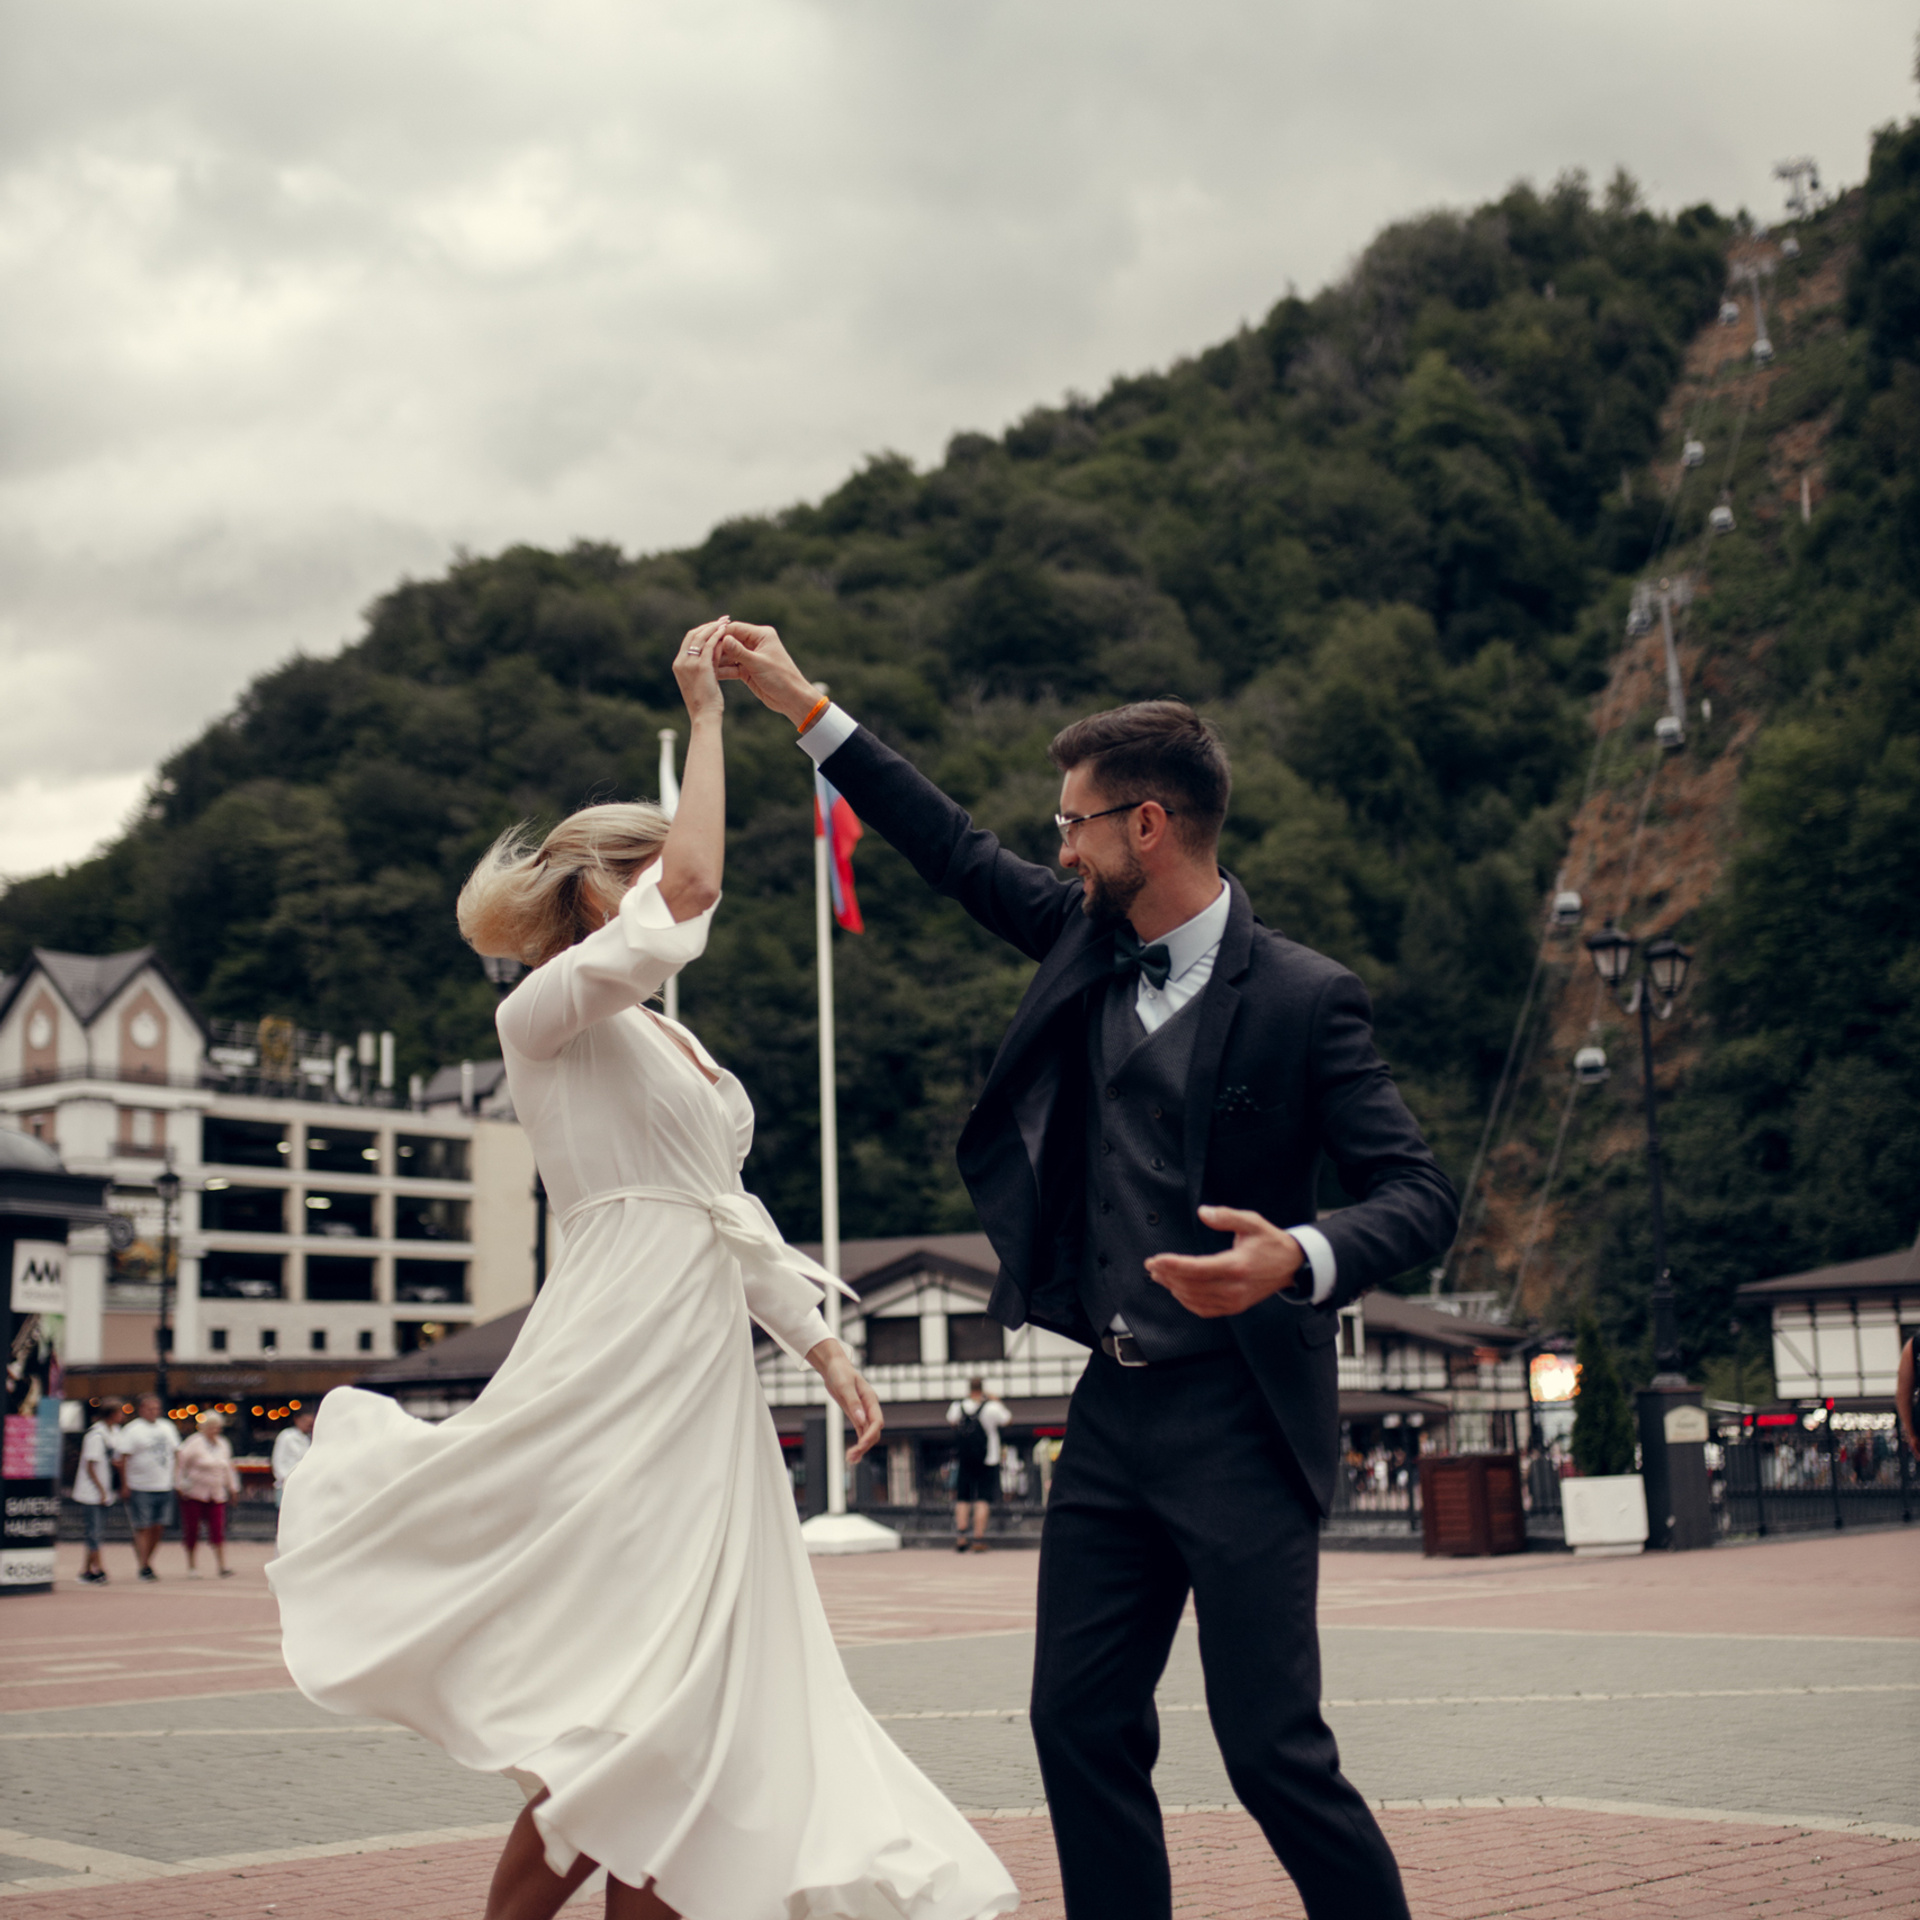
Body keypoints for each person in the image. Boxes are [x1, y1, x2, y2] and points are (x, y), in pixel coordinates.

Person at [268, 620, 1016, 1920]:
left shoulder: (677, 1051)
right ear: (597, 888)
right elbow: (699, 897)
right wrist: (712, 719)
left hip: (699, 1363)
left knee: (698, 1691)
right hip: (618, 1352)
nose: (669, 876)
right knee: (634, 1693)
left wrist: (822, 1341)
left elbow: (725, 1210)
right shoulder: (541, 1012)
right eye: (646, 866)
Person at [719, 623, 1458, 1920]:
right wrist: (804, 708)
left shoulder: (1301, 998)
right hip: (1114, 1416)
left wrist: (1302, 1256)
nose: (1058, 847)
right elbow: (947, 848)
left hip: (1242, 1413)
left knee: (1273, 1752)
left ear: (1150, 826)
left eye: (1074, 825)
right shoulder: (1079, 941)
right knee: (1077, 1724)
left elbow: (1422, 1195)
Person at [114, 1393, 179, 1583]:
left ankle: (147, 1559)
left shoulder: (167, 1427)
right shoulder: (132, 1430)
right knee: (143, 1526)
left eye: (156, 1408)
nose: (154, 1412)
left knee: (159, 1526)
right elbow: (123, 1458)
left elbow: (177, 1452)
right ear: (141, 1409)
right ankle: (144, 1566)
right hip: (140, 1485)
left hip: (164, 1484)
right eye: (150, 1408)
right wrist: (124, 1484)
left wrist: (176, 1477)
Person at [946, 1377, 1010, 1552]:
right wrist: (996, 1400)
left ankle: (961, 1537)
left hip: (965, 1458)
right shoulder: (991, 1407)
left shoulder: (958, 1406)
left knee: (963, 1497)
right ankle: (978, 1538)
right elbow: (1007, 1420)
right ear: (983, 1389)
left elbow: (951, 1421)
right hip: (988, 1458)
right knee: (982, 1498)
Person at [175, 1411, 240, 1578]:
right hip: (194, 1492)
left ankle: (222, 1565)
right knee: (192, 1529)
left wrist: (233, 1488)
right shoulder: (193, 1443)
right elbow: (180, 1464)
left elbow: (228, 1467)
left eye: (217, 1427)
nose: (215, 1430)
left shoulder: (223, 1444)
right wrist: (179, 1484)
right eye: (211, 1427)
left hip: (216, 1492)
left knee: (218, 1528)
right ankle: (192, 1566)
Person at [72, 1400, 128, 1585]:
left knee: (97, 1531)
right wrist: (102, 1491)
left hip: (106, 1490)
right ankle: (99, 1569)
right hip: (93, 1492)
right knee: (94, 1531)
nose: (123, 1415)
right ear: (111, 1414)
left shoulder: (115, 1432)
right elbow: (90, 1466)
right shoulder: (95, 1435)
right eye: (120, 1412)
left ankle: (86, 1570)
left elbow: (116, 1456)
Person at [272, 1407, 314, 1502]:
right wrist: (287, 1480)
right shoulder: (286, 1436)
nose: (308, 1425)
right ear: (296, 1419)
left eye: (310, 1423)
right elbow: (277, 1461)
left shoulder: (310, 1438)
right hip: (287, 1484)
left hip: (305, 1484)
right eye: (304, 1421)